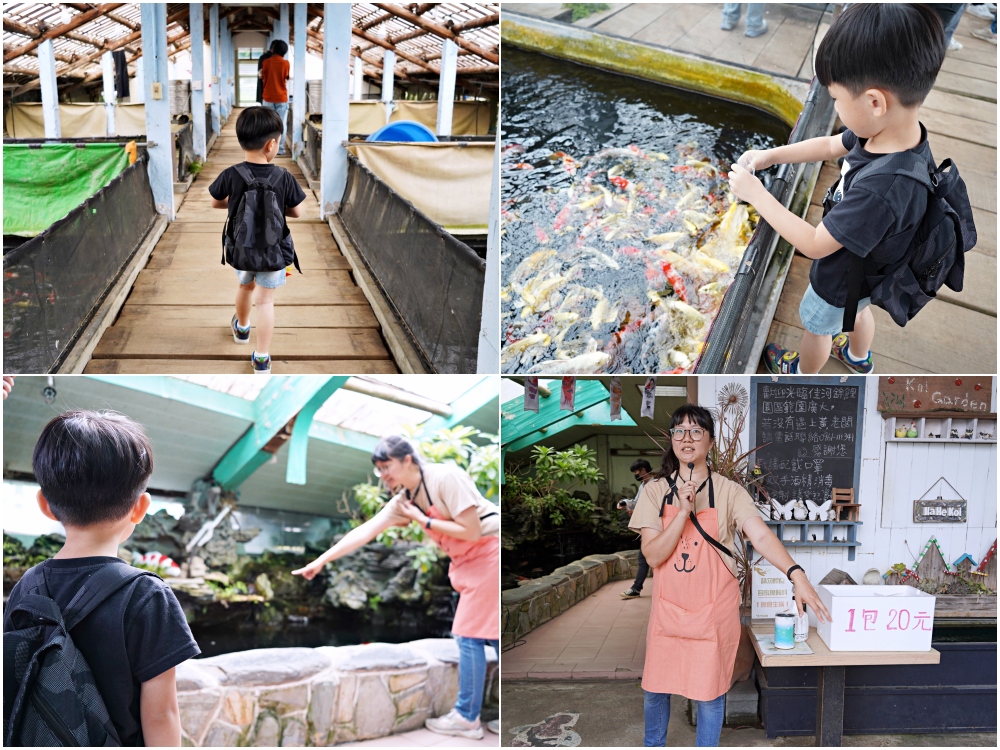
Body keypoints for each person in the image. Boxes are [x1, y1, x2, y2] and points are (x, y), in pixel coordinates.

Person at [728, 4, 946, 375]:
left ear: (874, 101)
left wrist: (755, 194)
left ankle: (801, 373)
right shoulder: (893, 131)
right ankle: (859, 358)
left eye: (837, 100)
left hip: (841, 274)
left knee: (816, 326)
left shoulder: (882, 189)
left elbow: (814, 244)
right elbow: (831, 147)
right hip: (873, 268)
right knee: (859, 310)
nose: (836, 108)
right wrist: (769, 156)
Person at [629, 405, 831, 747]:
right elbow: (653, 554)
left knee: (709, 693)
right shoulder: (654, 491)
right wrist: (682, 513)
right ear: (671, 440)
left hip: (713, 611)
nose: (687, 438)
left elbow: (762, 536)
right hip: (668, 610)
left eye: (696, 431)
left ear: (710, 441)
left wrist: (796, 574)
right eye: (679, 431)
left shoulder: (730, 491)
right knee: (655, 690)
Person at [3, 410, 200, 746]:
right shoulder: (147, 595)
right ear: (140, 508)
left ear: (45, 505)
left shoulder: (27, 588)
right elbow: (161, 714)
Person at [292, 436, 500, 739]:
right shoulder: (405, 499)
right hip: (468, 564)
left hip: (490, 553)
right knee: (492, 637)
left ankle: (467, 717)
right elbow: (365, 531)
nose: (384, 475)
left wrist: (421, 521)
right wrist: (321, 561)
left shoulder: (445, 477)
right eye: (379, 469)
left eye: (387, 466)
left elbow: (470, 530)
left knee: (468, 635)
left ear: (408, 460)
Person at [209, 106, 306, 374]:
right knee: (266, 302)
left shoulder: (232, 173)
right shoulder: (283, 176)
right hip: (275, 253)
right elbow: (297, 211)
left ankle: (241, 329)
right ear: (271, 144)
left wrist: (237, 203)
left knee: (245, 288)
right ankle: (262, 357)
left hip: (241, 250)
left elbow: (216, 203)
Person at [620, 459, 654, 599]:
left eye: (636, 471)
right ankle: (636, 588)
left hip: (653, 527)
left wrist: (637, 511)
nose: (635, 473)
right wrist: (626, 504)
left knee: (644, 558)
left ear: (644, 470)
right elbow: (637, 503)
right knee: (644, 558)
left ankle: (636, 588)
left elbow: (654, 507)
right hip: (646, 526)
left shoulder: (655, 485)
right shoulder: (643, 485)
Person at [258, 39, 290, 156]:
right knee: (281, 124)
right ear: (284, 51)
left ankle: (267, 148)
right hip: (281, 97)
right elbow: (286, 77)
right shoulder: (286, 64)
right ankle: (280, 149)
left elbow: (263, 77)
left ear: (274, 49)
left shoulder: (266, 62)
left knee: (267, 124)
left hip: (268, 97)